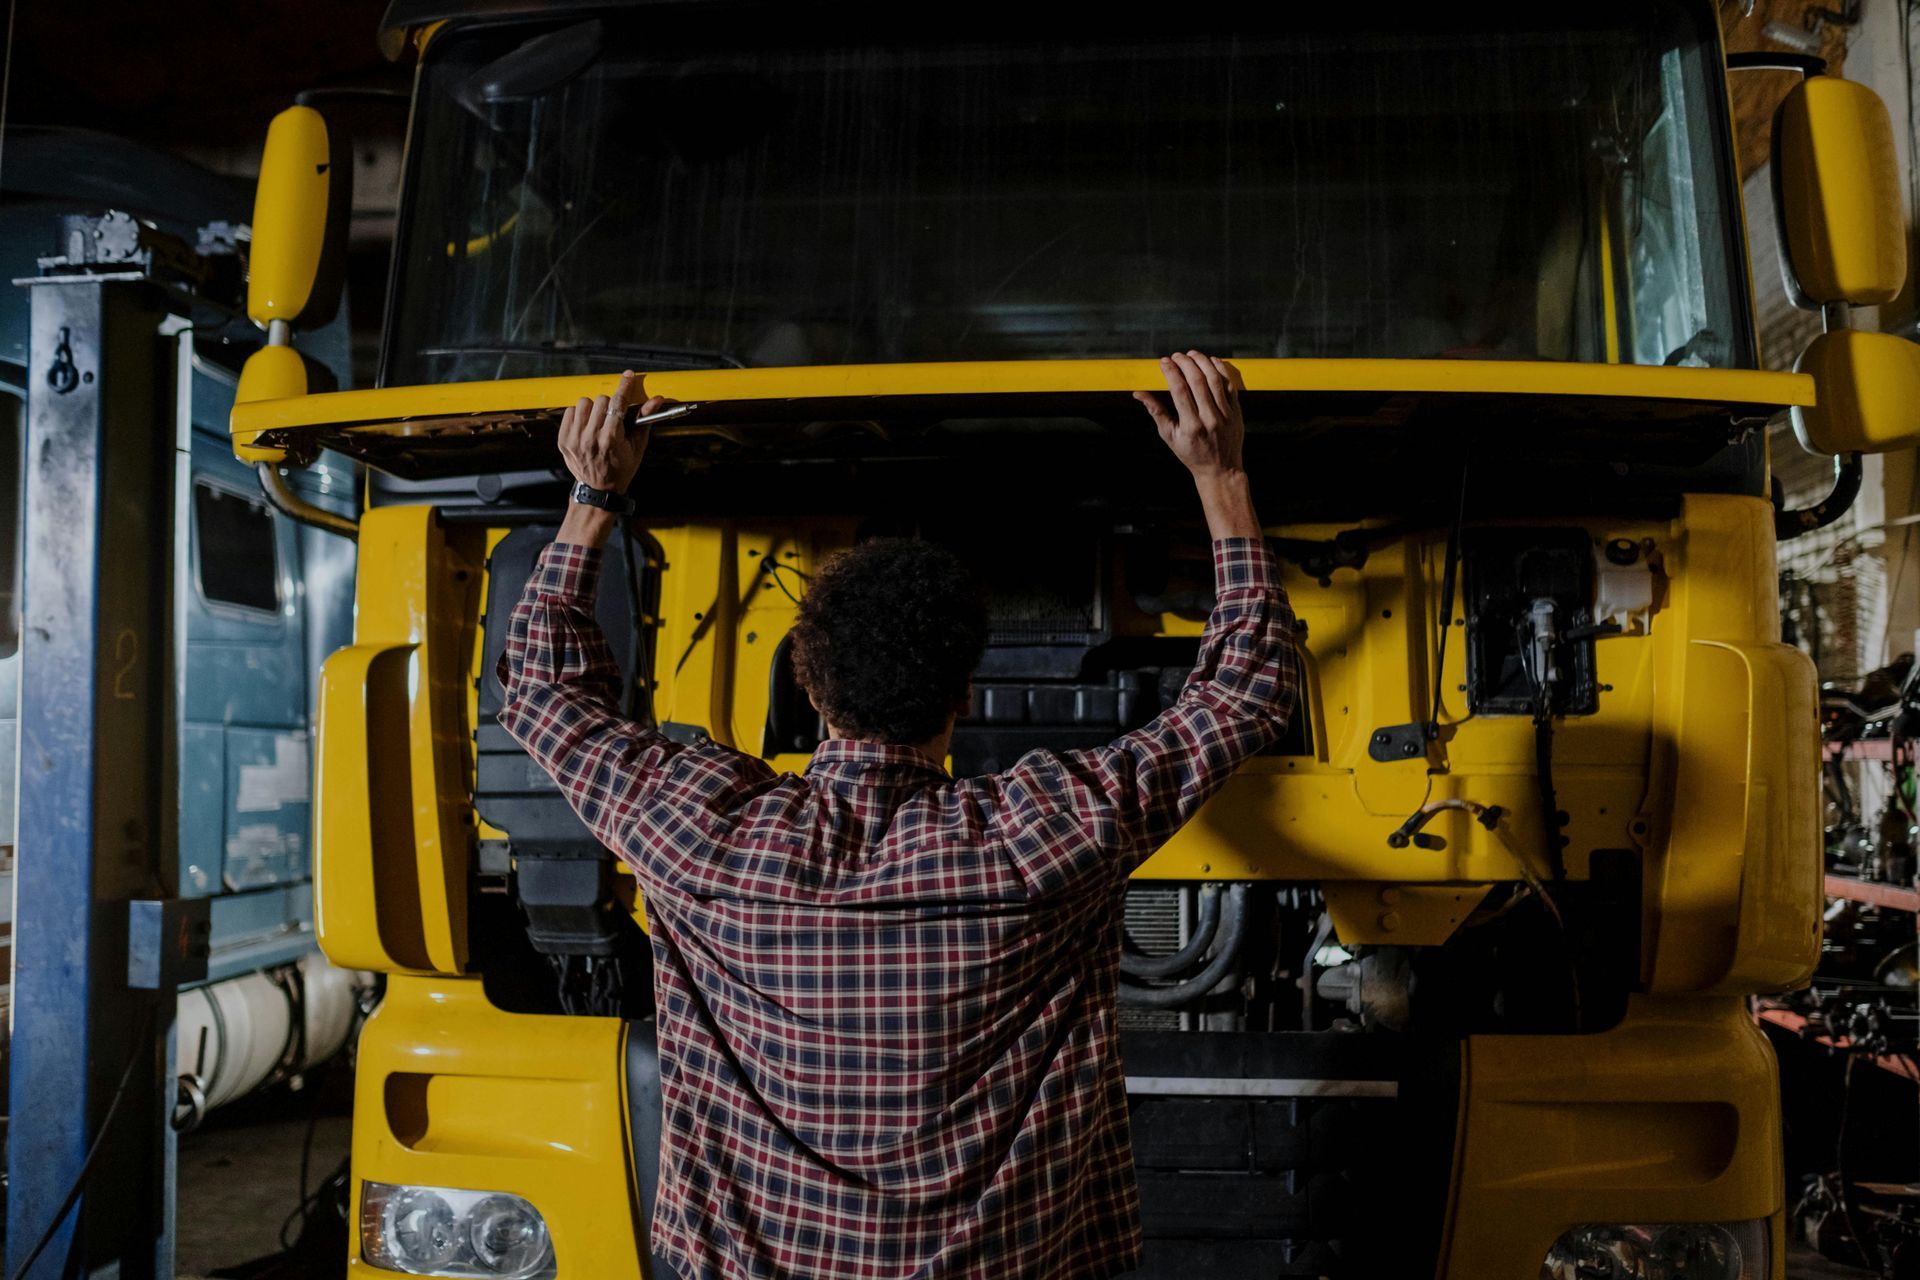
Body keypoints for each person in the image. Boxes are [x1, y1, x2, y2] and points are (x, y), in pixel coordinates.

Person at [498, 351, 1298, 1280]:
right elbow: (1246, 692)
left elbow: (544, 691)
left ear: (808, 684)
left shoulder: (706, 831)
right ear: (964, 693)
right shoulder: (1042, 835)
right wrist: (1222, 475)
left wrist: (594, 496)